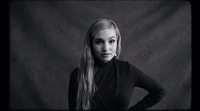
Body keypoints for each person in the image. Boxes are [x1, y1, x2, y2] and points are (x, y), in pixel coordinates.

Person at [68, 18, 166, 110]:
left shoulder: (127, 70)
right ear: (90, 45)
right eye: (99, 42)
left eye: (111, 41)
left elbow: (159, 92)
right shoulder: (78, 75)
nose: (106, 48)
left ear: (117, 43)